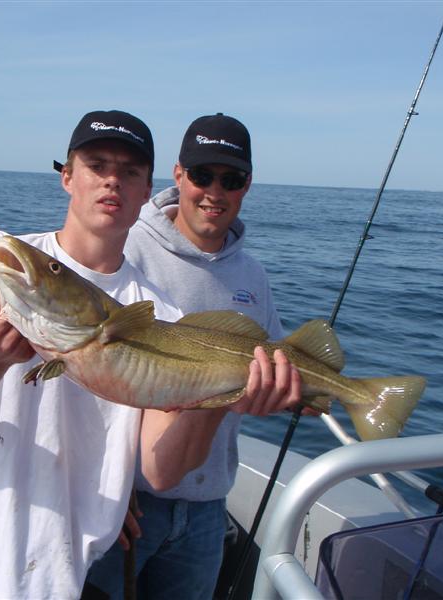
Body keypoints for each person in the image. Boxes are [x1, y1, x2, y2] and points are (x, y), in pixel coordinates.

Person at [0, 110, 298, 600]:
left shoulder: (161, 314)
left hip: (57, 579)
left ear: (146, 189)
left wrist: (225, 394)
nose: (112, 181)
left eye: (129, 171)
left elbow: (159, 471)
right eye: (97, 165)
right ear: (67, 176)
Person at [86, 113, 303, 599]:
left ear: (248, 185)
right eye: (203, 175)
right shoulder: (128, 248)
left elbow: (271, 369)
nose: (214, 192)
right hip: (125, 502)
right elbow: (91, 372)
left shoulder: (252, 275)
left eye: (232, 179)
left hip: (207, 506)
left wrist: (287, 395)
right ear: (179, 175)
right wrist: (106, 490)